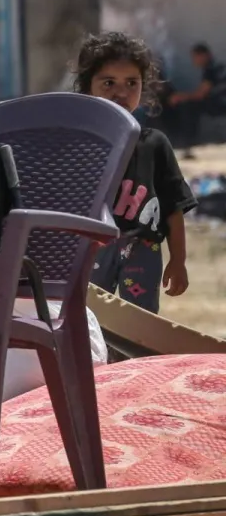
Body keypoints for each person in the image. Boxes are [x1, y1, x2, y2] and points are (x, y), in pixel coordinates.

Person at [74, 32, 196, 313]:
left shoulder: (154, 144)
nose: (121, 92)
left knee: (139, 323)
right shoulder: (80, 145)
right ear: (87, 87)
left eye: (132, 83)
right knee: (90, 320)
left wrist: (178, 260)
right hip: (93, 249)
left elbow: (173, 209)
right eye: (108, 83)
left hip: (144, 250)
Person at [164, 43, 226, 153]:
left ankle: (188, 141)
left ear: (203, 55)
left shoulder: (212, 69)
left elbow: (200, 95)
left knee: (189, 106)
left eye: (195, 57)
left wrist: (180, 97)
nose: (193, 60)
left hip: (220, 104)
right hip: (219, 102)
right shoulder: (214, 67)